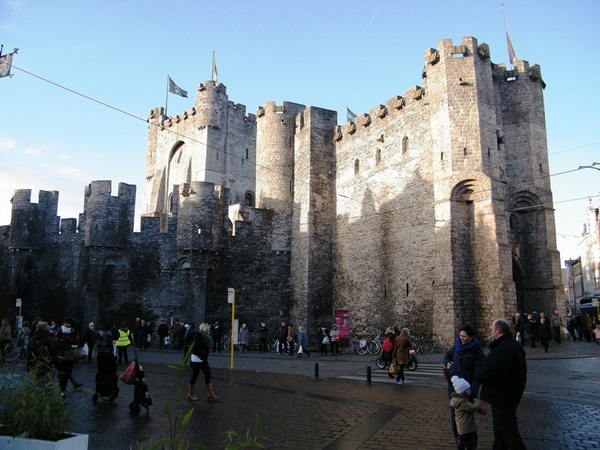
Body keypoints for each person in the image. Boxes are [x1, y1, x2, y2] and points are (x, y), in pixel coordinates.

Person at [475, 318, 528, 450]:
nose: (491, 332)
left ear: (498, 330)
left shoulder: (504, 348)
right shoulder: (512, 345)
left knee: (510, 435)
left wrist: (477, 375)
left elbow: (494, 372)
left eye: (492, 330)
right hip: (506, 397)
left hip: (503, 397)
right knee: (500, 435)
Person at [443, 324, 486, 442]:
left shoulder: (477, 353)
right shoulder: (457, 346)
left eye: (464, 336)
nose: (461, 338)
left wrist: (472, 392)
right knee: (454, 415)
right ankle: (459, 440)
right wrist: (447, 363)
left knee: (467, 417)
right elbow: (447, 355)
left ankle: (471, 442)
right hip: (453, 388)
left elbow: (478, 376)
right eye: (460, 336)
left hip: (467, 390)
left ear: (471, 337)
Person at [450, 376, 487, 450]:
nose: (470, 391)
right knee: (466, 441)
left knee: (471, 440)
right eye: (467, 390)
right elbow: (472, 408)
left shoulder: (463, 399)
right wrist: (476, 401)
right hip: (465, 427)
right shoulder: (462, 402)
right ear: (462, 392)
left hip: (468, 425)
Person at [188, 322, 219, 402]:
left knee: (208, 374)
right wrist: (203, 352)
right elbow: (194, 348)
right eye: (208, 328)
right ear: (204, 328)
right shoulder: (198, 336)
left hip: (203, 358)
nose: (209, 330)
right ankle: (191, 393)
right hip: (197, 358)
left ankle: (210, 393)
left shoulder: (205, 337)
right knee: (195, 375)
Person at [55, 318, 83, 398]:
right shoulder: (60, 331)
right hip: (61, 355)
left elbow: (77, 341)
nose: (67, 325)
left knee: (68, 373)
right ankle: (62, 389)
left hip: (70, 355)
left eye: (68, 323)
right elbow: (56, 341)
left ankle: (63, 389)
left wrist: (70, 342)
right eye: (66, 323)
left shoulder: (74, 332)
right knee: (61, 374)